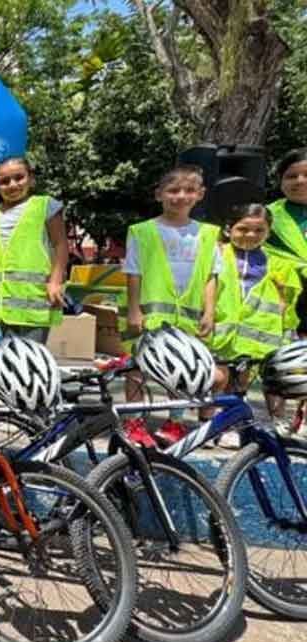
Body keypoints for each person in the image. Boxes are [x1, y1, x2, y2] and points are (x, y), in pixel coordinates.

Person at [122, 164, 221, 445]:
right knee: (136, 369)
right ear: (159, 194)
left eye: (189, 190)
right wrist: (133, 309)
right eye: (173, 190)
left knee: (183, 369)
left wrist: (209, 311)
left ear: (200, 194)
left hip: (188, 317)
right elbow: (133, 272)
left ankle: (175, 422)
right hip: (149, 315)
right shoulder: (142, 231)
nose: (181, 196)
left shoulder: (208, 234)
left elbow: (211, 276)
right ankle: (133, 421)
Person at [210, 203, 300, 424]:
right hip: (219, 331)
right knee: (216, 380)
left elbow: (287, 304)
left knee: (242, 383)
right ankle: (210, 424)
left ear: (268, 233)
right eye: (243, 229)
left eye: (259, 230)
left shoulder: (279, 265)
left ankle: (235, 425)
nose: (251, 235)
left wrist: (284, 328)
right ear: (229, 229)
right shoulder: (216, 253)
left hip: (255, 338)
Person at [0, 157, 68, 342]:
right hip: (5, 303)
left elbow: (60, 245)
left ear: (31, 179)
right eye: (5, 181)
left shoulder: (45, 206)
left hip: (37, 298)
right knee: (12, 353)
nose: (12, 185)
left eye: (19, 178)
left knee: (31, 354)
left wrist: (55, 282)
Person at [264, 149, 307, 336]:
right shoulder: (265, 216)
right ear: (280, 181)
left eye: (306, 175)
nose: (300, 181)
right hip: (287, 308)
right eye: (291, 176)